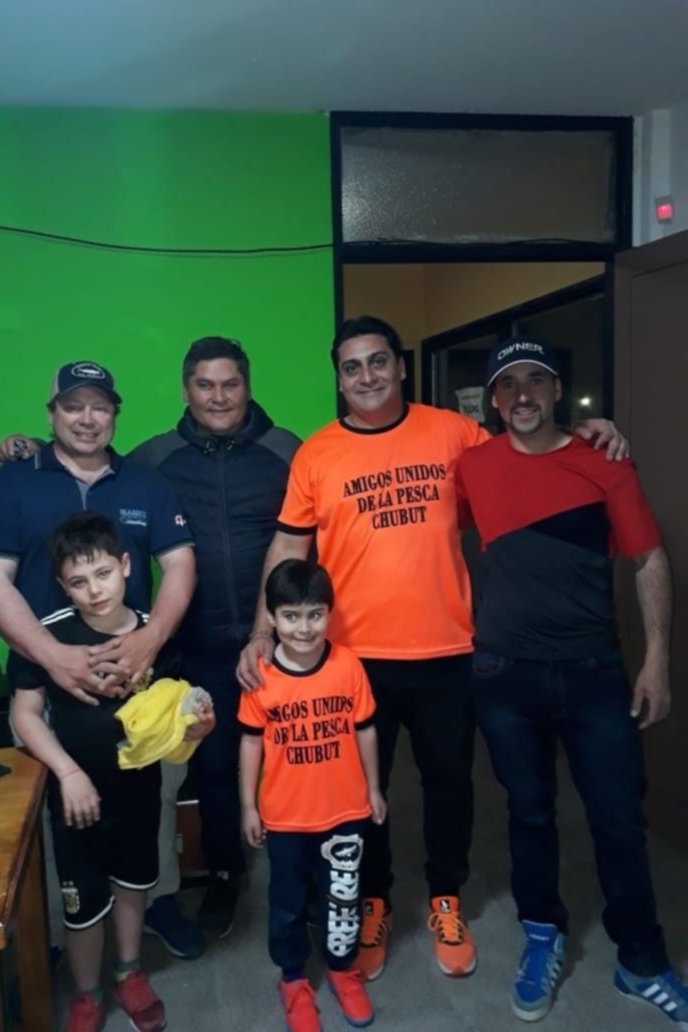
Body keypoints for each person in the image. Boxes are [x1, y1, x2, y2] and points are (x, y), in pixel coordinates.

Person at [237, 316, 629, 984]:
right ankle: (375, 900)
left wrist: (590, 433)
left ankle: (446, 896)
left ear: (400, 366)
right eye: (352, 367)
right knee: (361, 793)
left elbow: (528, 451)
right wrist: (261, 633)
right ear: (339, 379)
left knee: (449, 784)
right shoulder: (318, 454)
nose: (367, 376)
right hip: (353, 659)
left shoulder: (454, 433)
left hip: (448, 650)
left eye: (378, 361)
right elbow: (289, 544)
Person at [0, 339, 301, 943]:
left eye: (230, 384)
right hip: (184, 647)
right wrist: (26, 447)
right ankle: (216, 877)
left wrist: (168, 639)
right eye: (204, 384)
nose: (218, 396)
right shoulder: (153, 458)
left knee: (298, 757)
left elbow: (298, 530)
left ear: (247, 386)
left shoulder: (283, 450)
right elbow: (80, 459)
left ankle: (291, 880)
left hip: (268, 639)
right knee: (205, 769)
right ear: (186, 390)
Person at [455, 339, 688, 1027]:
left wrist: (657, 659)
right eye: (508, 385)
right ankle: (542, 937)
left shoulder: (604, 460)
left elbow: (648, 558)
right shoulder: (471, 466)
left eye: (536, 380)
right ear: (493, 400)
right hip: (504, 675)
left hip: (593, 674)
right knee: (529, 814)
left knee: (618, 819)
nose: (522, 394)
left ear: (559, 391)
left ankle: (641, 960)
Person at [0, 360, 199, 959]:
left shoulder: (145, 483)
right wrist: (52, 657)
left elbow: (180, 565)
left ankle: (152, 908)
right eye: (73, 406)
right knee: (60, 815)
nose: (87, 418)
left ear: (114, 415)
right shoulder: (15, 481)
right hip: (46, 685)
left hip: (136, 681)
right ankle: (61, 934)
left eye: (99, 406)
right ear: (51, 415)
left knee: (150, 802)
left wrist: (151, 640)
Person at [11, 513, 212, 1032]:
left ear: (125, 565)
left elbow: (172, 721)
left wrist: (193, 729)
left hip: (139, 791)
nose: (94, 590)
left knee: (132, 884)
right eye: (78, 581)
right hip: (75, 800)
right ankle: (87, 993)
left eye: (102, 573)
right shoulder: (49, 638)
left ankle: (128, 971)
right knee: (81, 901)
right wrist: (67, 773)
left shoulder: (155, 635)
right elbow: (24, 715)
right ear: (63, 587)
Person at [238, 559, 386, 1032]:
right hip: (285, 819)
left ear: (329, 614)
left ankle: (343, 971)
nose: (304, 628)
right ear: (272, 618)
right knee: (287, 904)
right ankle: (294, 981)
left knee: (343, 901)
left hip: (345, 812)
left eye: (315, 615)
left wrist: (374, 788)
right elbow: (251, 743)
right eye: (291, 616)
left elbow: (365, 730)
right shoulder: (261, 676)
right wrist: (248, 806)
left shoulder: (348, 666)